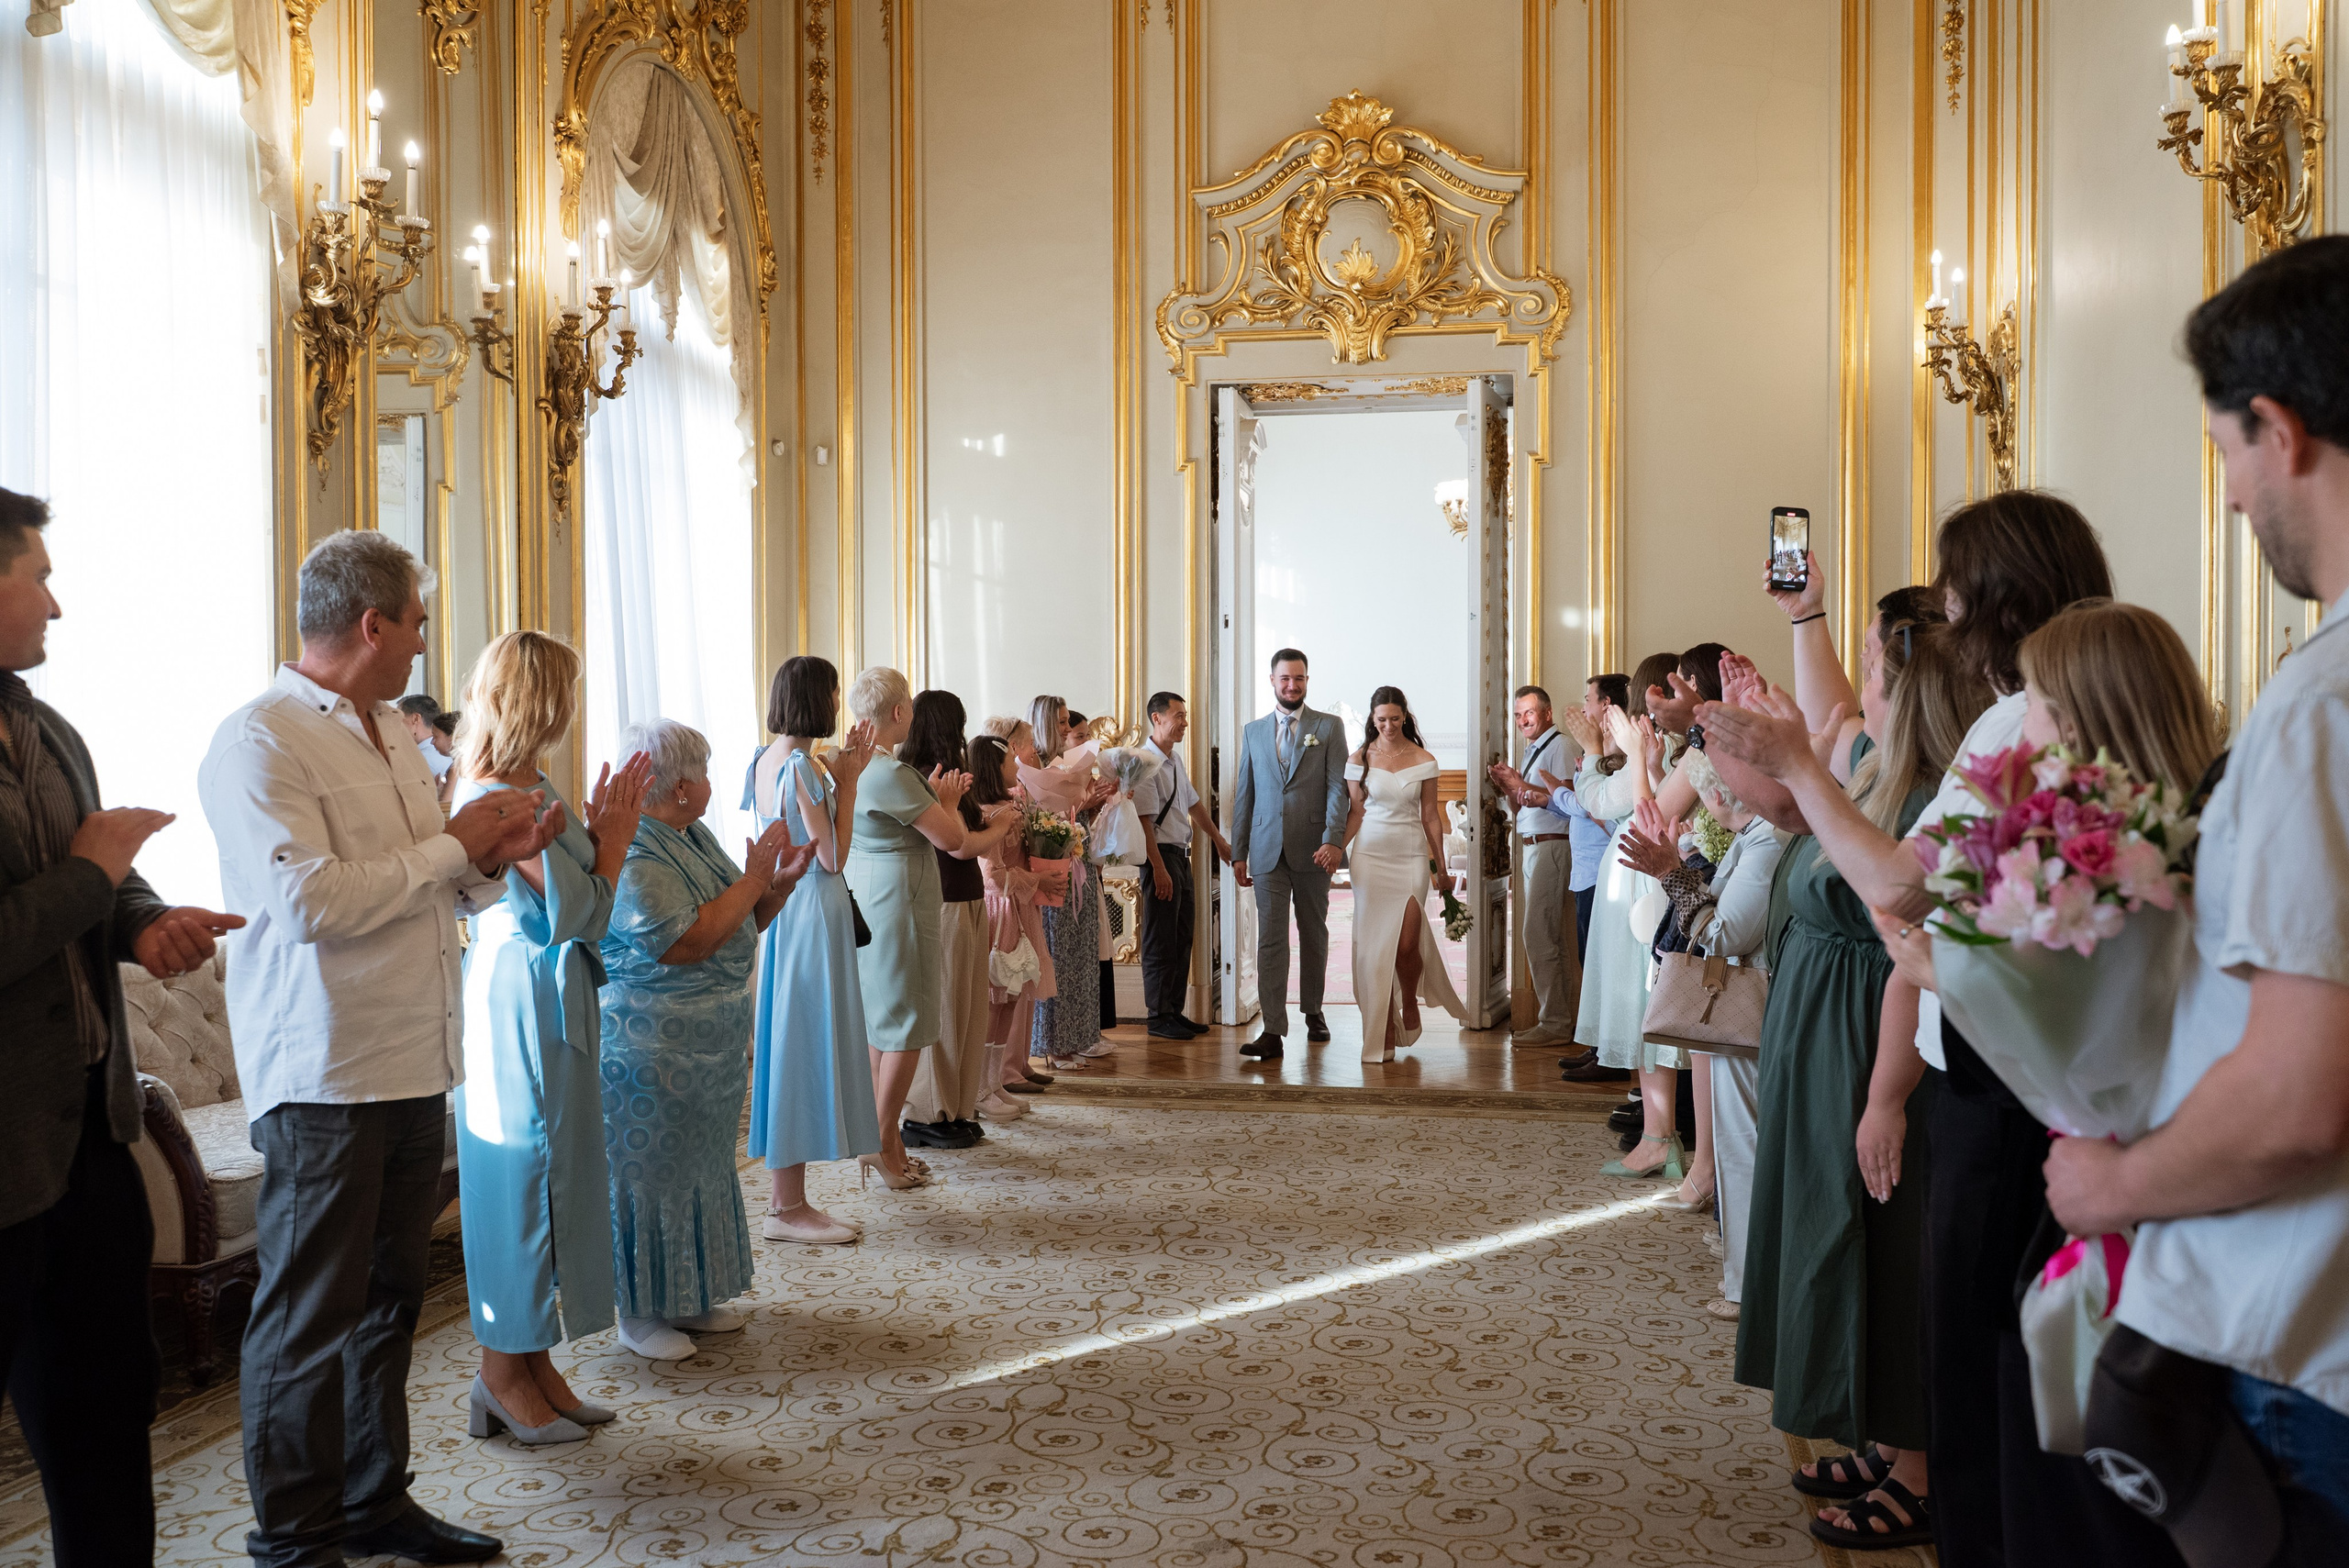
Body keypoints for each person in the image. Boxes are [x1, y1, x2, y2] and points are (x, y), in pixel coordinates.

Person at [1697, 493, 2143, 1567]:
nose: (1943, 606)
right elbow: (1861, 738)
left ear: (1988, 595)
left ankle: (1966, 1516)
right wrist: (1804, 643)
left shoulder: (2011, 720)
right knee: (1986, 1333)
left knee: (1977, 1338)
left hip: (1994, 1070)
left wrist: (1798, 765)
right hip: (2009, 1058)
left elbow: (1900, 882)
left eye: (1953, 586)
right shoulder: (2041, 707)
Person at [2043, 239, 2349, 1556]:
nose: (2229, 500)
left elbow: (2294, 1099)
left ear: (2279, 430)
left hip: (2309, 1345)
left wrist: (2113, 1187)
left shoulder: (2318, 712)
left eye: (2226, 453)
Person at [200, 529, 553, 1568]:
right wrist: (455, 844)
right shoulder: (258, 739)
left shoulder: (394, 733)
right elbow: (306, 901)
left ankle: (372, 1498)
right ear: (372, 624)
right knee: (308, 1314)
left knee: (391, 1296)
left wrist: (494, 857)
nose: (424, 640)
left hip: (413, 1052)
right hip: (324, 1067)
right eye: (415, 620)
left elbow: (429, 877)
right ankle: (294, 1537)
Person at [0, 486, 243, 1566]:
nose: (57, 603)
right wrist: (93, 872)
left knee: (107, 1403)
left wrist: (143, 921)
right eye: (37, 575)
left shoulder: (47, 724)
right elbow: (78, 870)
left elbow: (109, 873)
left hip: (97, 1132)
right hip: (2, 1146)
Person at [1733, 616, 1988, 1553]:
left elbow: (1903, 947)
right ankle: (1888, 1440)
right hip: (1834, 1024)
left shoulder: (1930, 788)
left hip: (1879, 1041)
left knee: (1887, 1239)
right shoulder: (1880, 767)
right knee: (1855, 1231)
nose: (1856, 688)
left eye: (1874, 668)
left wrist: (1882, 1093)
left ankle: (1916, 1466)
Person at [448, 632, 649, 1424]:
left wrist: (602, 839)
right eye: (565, 689)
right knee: (523, 1178)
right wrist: (617, 844)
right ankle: (501, 1375)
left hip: (547, 988)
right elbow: (582, 912)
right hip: (517, 993)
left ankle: (537, 1369)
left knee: (558, 1172)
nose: (573, 704)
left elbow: (580, 893)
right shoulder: (498, 793)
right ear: (542, 698)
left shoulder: (531, 780)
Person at [600, 718, 809, 1362]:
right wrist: (753, 879)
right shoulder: (637, 846)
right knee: (652, 1179)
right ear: (683, 784)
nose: (715, 783)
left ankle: (687, 1294)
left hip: (709, 1053)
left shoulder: (690, 833)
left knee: (697, 1174)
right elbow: (681, 941)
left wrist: (779, 882)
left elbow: (737, 921)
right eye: (708, 771)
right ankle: (638, 1312)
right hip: (651, 1052)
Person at [1632, 748, 1782, 1317]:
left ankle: (1748, 1287)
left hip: (1749, 1004)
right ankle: (1746, 1274)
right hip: (1747, 1002)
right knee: (1739, 1139)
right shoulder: (1759, 834)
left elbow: (1725, 935)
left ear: (1720, 793)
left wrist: (1671, 873)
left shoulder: (1766, 839)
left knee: (1743, 1142)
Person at [745, 656, 882, 1242]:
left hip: (784, 909)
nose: (837, 703)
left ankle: (788, 1197)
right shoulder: (802, 764)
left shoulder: (761, 758)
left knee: (788, 1041)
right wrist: (848, 783)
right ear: (815, 699)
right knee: (802, 1044)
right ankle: (787, 1205)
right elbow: (831, 857)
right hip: (812, 905)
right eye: (831, 691)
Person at [844, 666, 972, 1188]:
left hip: (870, 894)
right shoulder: (890, 774)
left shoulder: (850, 764)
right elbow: (953, 840)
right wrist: (949, 803)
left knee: (882, 1022)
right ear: (898, 713)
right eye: (910, 708)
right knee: (907, 1025)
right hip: (901, 902)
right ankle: (879, 1140)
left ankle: (888, 1143)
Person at [899, 691, 1021, 1150]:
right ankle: (928, 1112)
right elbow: (960, 845)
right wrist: (1002, 828)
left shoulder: (948, 774)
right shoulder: (919, 776)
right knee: (946, 1009)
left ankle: (956, 1106)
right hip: (943, 901)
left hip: (966, 898)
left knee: (968, 1008)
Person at [1565, 651, 1679, 1095]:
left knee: (1641, 984)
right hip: (1638, 873)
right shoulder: (1655, 745)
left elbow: (1605, 801)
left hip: (1645, 879)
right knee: (1638, 983)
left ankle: (1653, 1099)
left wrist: (1595, 751)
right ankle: (1647, 1096)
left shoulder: (1656, 746)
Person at [1229, 649, 1349, 1062]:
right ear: (1273, 680)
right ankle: (1273, 1030)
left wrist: (1334, 841)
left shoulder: (1328, 727)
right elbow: (1244, 794)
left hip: (1314, 849)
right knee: (1271, 940)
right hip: (1265, 851)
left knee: (1313, 933)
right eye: (1285, 679)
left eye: (1298, 678)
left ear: (1307, 681)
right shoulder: (1253, 731)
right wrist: (1238, 850)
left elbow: (1338, 788)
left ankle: (1314, 1011)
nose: (1292, 685)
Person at [1340, 686, 1467, 1063]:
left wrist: (1440, 868)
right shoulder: (1358, 759)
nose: (1389, 726)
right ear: (1372, 720)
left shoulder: (1424, 759)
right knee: (1375, 950)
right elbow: (1356, 813)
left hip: (1410, 855)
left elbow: (1431, 816)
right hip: (1369, 857)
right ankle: (1385, 1028)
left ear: (1405, 717)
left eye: (1395, 719)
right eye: (1381, 720)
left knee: (1407, 943)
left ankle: (1408, 995)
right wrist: (1334, 850)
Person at [1021, 695, 1116, 1071]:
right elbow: (1037, 820)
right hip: (1053, 870)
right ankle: (1053, 1044)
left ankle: (1078, 1037)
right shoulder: (1032, 766)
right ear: (1044, 723)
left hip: (1078, 865)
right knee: (1056, 958)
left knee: (1080, 959)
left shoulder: (1067, 765)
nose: (1066, 728)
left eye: (1066, 721)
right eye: (1060, 722)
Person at [975, 720, 1065, 1106]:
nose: (1017, 762)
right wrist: (1037, 881)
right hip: (1003, 911)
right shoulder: (988, 813)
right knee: (999, 996)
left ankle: (996, 1080)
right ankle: (983, 1085)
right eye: (1010, 757)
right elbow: (992, 876)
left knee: (1013, 997)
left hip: (1020, 906)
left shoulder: (1011, 803)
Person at [1131, 691, 1230, 1040]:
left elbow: (1194, 804)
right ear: (1156, 718)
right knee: (1160, 940)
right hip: (1159, 857)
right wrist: (1157, 867)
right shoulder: (1143, 761)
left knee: (1181, 937)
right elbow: (1144, 821)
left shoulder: (1174, 760)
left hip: (1179, 857)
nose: (1185, 722)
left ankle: (1173, 1010)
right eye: (1179, 715)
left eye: (1185, 715)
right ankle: (1158, 1017)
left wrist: (1219, 841)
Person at [1484, 684, 1576, 1046]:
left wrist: (1519, 782)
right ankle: (1560, 1021)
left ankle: (1554, 1023)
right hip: (1532, 847)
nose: (1523, 720)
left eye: (1530, 713)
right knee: (1548, 937)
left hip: (1553, 846)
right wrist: (1509, 787)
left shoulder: (1561, 747)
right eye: (1519, 714)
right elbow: (1524, 805)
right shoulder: (1532, 750)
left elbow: (1564, 798)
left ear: (1547, 714)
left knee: (1536, 935)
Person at [397, 694, 456, 805]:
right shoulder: (443, 753)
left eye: (399, 718)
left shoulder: (419, 759)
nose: (395, 724)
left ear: (416, 718)